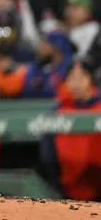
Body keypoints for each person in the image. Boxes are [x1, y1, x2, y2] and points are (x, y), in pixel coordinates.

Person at [38, 58, 101, 201]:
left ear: (91, 79)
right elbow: (48, 157)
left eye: (81, 77)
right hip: (66, 189)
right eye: (71, 78)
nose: (76, 83)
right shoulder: (59, 110)